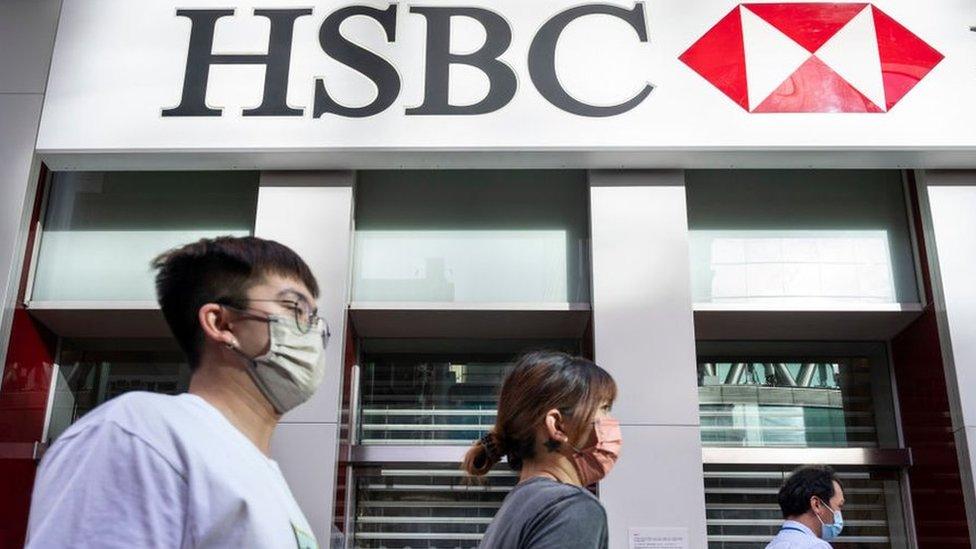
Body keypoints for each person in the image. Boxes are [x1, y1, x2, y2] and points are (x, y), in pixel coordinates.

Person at [27, 236, 329, 548]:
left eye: (316, 319)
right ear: (221, 323)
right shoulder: (140, 433)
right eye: (296, 310)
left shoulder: (265, 476)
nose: (314, 333)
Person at [466, 351, 621, 549]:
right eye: (604, 408)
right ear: (557, 425)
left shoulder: (518, 506)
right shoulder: (570, 508)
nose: (611, 422)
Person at [766, 465, 846, 549]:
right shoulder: (817, 546)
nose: (840, 514)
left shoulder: (773, 545)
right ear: (816, 504)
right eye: (839, 506)